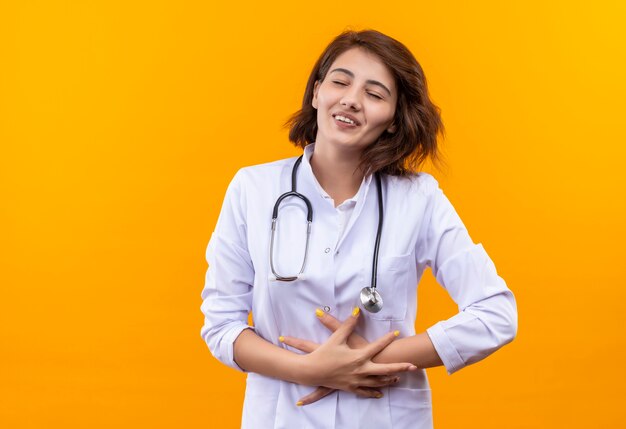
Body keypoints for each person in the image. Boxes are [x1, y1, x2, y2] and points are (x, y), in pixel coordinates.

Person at [200, 29, 517, 429]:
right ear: (316, 93)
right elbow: (222, 325)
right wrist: (309, 370)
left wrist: (371, 360)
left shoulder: (418, 198)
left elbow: (496, 314)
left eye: (375, 93)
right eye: (340, 81)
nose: (351, 99)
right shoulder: (253, 188)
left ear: (391, 121)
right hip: (282, 417)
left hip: (383, 415)